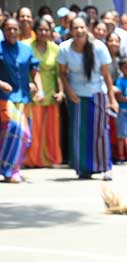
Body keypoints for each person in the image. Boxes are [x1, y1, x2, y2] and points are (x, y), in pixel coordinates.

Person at [58, 17, 117, 180]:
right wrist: (69, 92)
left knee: (100, 132)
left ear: (87, 29)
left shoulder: (99, 47)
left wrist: (112, 99)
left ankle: (105, 166)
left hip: (97, 93)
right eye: (75, 28)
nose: (79, 31)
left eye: (82, 27)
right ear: (70, 30)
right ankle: (84, 169)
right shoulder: (64, 48)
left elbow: (106, 76)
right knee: (78, 133)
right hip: (76, 96)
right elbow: (62, 73)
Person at [0, 18, 42, 183]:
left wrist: (40, 88)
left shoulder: (26, 49)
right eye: (8, 29)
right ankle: (8, 169)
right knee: (19, 130)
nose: (12, 32)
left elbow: (35, 70)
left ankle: (13, 169)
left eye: (15, 29)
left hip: (24, 98)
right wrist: (2, 84)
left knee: (20, 135)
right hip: (4, 98)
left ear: (19, 31)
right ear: (3, 31)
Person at [23, 17, 63, 168]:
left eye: (46, 30)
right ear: (35, 31)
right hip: (32, 94)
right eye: (40, 29)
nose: (43, 32)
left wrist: (61, 92)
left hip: (50, 94)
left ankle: (49, 159)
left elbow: (59, 73)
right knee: (34, 128)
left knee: (50, 130)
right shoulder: (26, 46)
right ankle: (31, 160)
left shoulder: (55, 48)